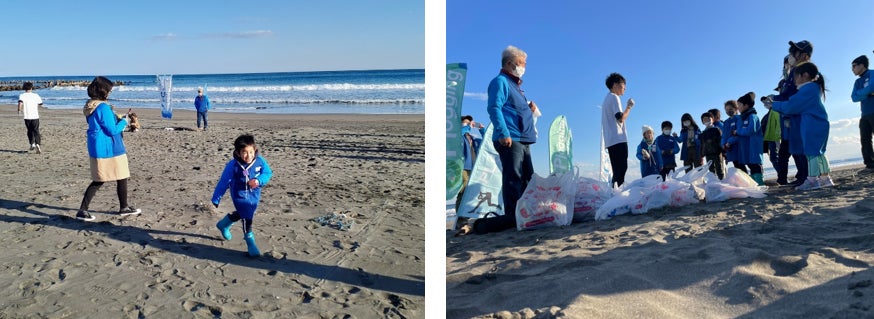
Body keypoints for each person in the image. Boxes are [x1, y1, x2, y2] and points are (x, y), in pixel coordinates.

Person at [474, 45, 538, 234]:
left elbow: (513, 108)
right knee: (514, 178)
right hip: (511, 137)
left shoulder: (516, 86)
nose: (524, 66)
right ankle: (512, 216)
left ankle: (523, 213)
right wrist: (503, 132)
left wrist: (529, 108)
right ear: (510, 63)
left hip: (523, 138)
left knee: (528, 179)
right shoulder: (500, 81)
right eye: (521, 63)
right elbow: (494, 107)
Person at [75, 76, 141, 221]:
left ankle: (123, 206)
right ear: (103, 91)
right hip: (109, 147)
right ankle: (83, 210)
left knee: (113, 177)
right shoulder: (103, 107)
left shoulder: (91, 106)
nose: (110, 93)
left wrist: (119, 119)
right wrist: (124, 121)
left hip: (99, 146)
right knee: (104, 178)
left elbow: (104, 124)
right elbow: (111, 130)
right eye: (109, 90)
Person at [766, 62, 834, 190]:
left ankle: (812, 180)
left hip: (811, 124)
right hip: (819, 123)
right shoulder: (814, 88)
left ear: (805, 75)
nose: (794, 81)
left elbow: (792, 105)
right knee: (820, 153)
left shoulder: (808, 89)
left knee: (811, 153)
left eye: (796, 77)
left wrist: (773, 105)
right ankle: (825, 178)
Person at [212, 134, 274, 256]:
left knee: (245, 212)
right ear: (238, 152)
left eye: (251, 152)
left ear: (255, 150)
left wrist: (259, 181)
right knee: (247, 217)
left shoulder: (260, 161)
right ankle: (250, 242)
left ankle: (223, 224)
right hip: (239, 194)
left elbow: (267, 173)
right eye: (244, 152)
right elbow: (224, 181)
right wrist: (217, 197)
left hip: (254, 194)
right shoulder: (233, 165)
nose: (248, 155)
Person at [769, 40, 813, 187]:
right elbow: (786, 93)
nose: (790, 56)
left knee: (800, 148)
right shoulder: (792, 73)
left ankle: (806, 177)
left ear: (804, 55)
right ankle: (802, 177)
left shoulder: (805, 71)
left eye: (794, 53)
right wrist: (774, 99)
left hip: (799, 115)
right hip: (790, 116)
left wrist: (775, 101)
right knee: (794, 148)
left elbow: (792, 95)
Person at [601, 72, 635, 187]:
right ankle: (617, 196)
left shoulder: (606, 99)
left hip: (611, 140)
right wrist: (629, 107)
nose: (625, 88)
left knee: (617, 170)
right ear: (615, 85)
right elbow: (620, 118)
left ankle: (614, 193)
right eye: (623, 85)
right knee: (621, 169)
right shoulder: (614, 97)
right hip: (618, 138)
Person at [733, 92, 765, 185]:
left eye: (739, 105)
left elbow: (751, 130)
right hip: (747, 147)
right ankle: (754, 183)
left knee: (755, 165)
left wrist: (738, 131)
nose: (738, 108)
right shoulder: (742, 118)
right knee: (751, 165)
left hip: (754, 146)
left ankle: (760, 183)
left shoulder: (752, 116)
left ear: (746, 105)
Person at [851, 55, 874, 172]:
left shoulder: (872, 74)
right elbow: (854, 97)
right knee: (865, 140)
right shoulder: (857, 81)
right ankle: (870, 165)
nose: (852, 69)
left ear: (862, 65)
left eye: (854, 66)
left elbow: (872, 87)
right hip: (864, 113)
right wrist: (867, 93)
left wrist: (864, 93)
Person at [456, 115, 483, 210]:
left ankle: (465, 213)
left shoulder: (473, 138)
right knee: (463, 191)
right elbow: (458, 134)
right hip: (462, 167)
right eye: (466, 122)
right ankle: (460, 217)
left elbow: (485, 142)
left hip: (473, 167)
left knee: (470, 192)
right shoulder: (458, 135)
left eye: (469, 123)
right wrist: (468, 127)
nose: (468, 124)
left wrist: (482, 130)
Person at [18, 82, 44, 153]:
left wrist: (19, 110)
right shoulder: (36, 95)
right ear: (31, 88)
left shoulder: (22, 95)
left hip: (27, 116)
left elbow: (20, 103)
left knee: (29, 130)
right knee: (36, 130)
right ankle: (38, 144)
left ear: (24, 88)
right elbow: (41, 104)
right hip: (35, 115)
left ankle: (32, 143)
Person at [699, 112, 725, 179]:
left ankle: (721, 182)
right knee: (711, 170)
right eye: (704, 120)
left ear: (712, 120)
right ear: (702, 122)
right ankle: (713, 183)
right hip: (708, 153)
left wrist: (724, 152)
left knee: (719, 168)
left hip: (717, 152)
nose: (707, 121)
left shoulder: (716, 130)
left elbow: (721, 141)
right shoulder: (703, 133)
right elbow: (702, 144)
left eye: (708, 119)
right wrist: (701, 154)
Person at [722, 100, 744, 173]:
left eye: (731, 109)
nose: (729, 111)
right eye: (727, 110)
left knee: (741, 166)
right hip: (729, 148)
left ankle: (748, 182)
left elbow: (739, 133)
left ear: (736, 108)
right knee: (736, 166)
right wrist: (723, 144)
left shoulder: (739, 118)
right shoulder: (726, 122)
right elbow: (724, 135)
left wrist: (729, 142)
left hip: (738, 146)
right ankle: (741, 182)